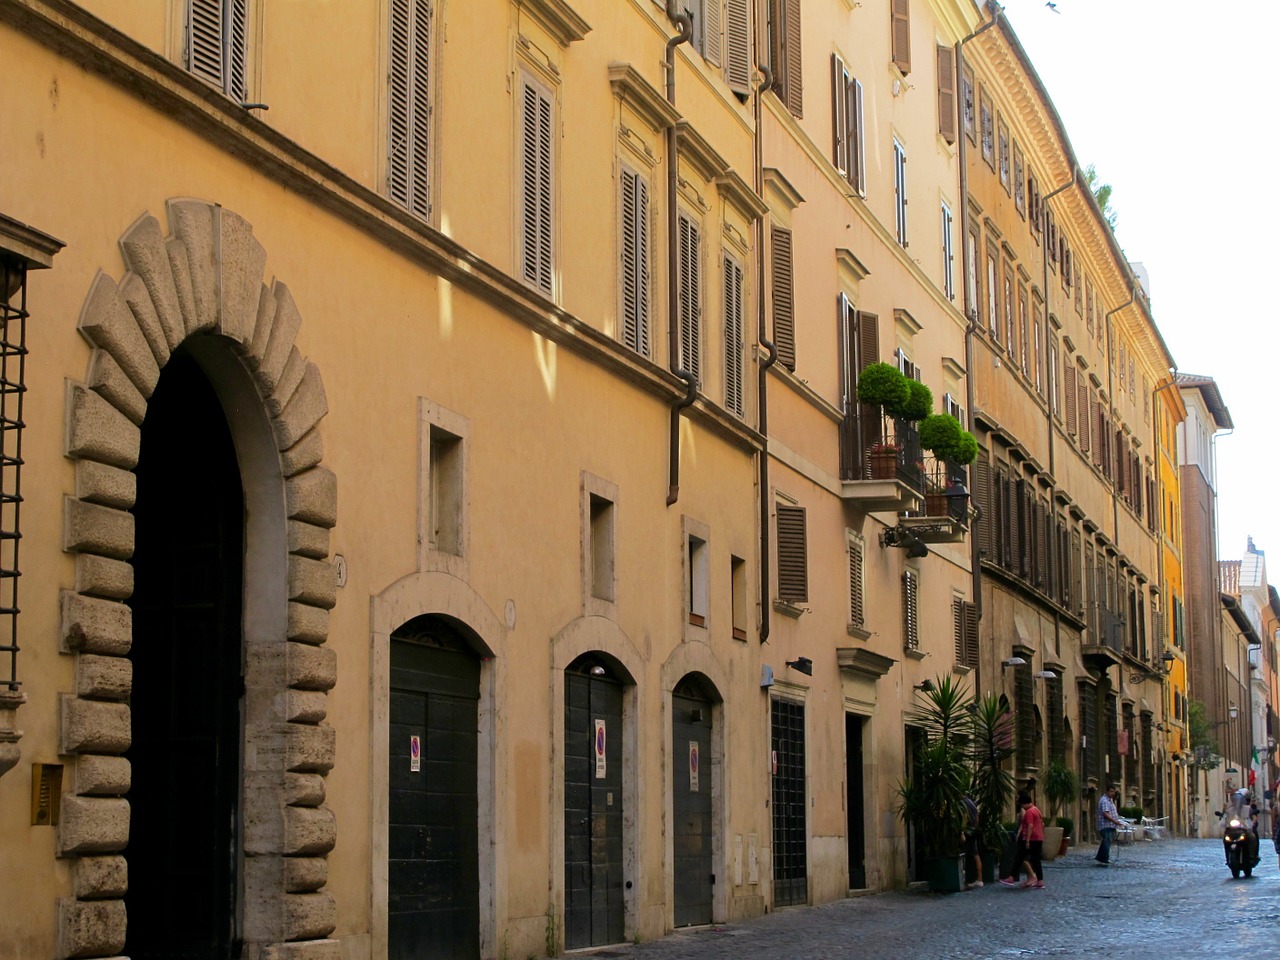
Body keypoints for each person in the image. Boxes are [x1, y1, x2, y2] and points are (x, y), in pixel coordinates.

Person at [1000, 792, 1045, 888]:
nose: (1022, 807)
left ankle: (1011, 877)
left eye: (1022, 804)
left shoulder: (1029, 812)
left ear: (1024, 803)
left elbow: (1030, 825)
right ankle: (1040, 881)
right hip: (1038, 838)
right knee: (1036, 859)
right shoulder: (1036, 810)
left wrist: (1027, 840)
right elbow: (1042, 824)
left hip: (1031, 838)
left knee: (1019, 857)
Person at [1095, 784, 1123, 865]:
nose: (1113, 793)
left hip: (1110, 825)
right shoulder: (1104, 801)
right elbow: (1105, 814)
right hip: (1105, 825)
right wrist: (1115, 821)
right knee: (1106, 842)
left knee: (1105, 842)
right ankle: (1104, 858)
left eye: (1114, 792)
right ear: (1107, 791)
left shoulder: (1110, 800)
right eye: (1111, 791)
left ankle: (1100, 857)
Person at [962, 794, 983, 889]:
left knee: (967, 853)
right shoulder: (973, 804)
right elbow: (977, 817)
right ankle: (980, 879)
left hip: (968, 831)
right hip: (974, 830)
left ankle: (966, 878)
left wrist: (961, 830)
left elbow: (964, 817)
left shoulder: (962, 804)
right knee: (975, 854)